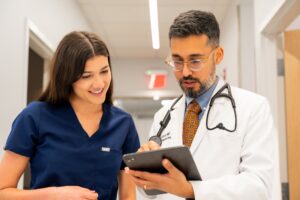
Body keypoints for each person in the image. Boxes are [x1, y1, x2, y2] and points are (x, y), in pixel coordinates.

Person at [126, 10, 276, 200]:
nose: (185, 72)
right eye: (177, 61)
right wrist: (144, 176)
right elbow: (151, 195)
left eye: (195, 61)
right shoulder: (164, 115)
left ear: (218, 55)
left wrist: (190, 190)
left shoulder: (253, 108)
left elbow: (258, 186)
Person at [0, 31, 140, 200]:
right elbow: (3, 191)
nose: (99, 83)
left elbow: (128, 196)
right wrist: (54, 194)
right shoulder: (34, 117)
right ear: (66, 77)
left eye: (104, 71)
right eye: (86, 76)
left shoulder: (123, 123)